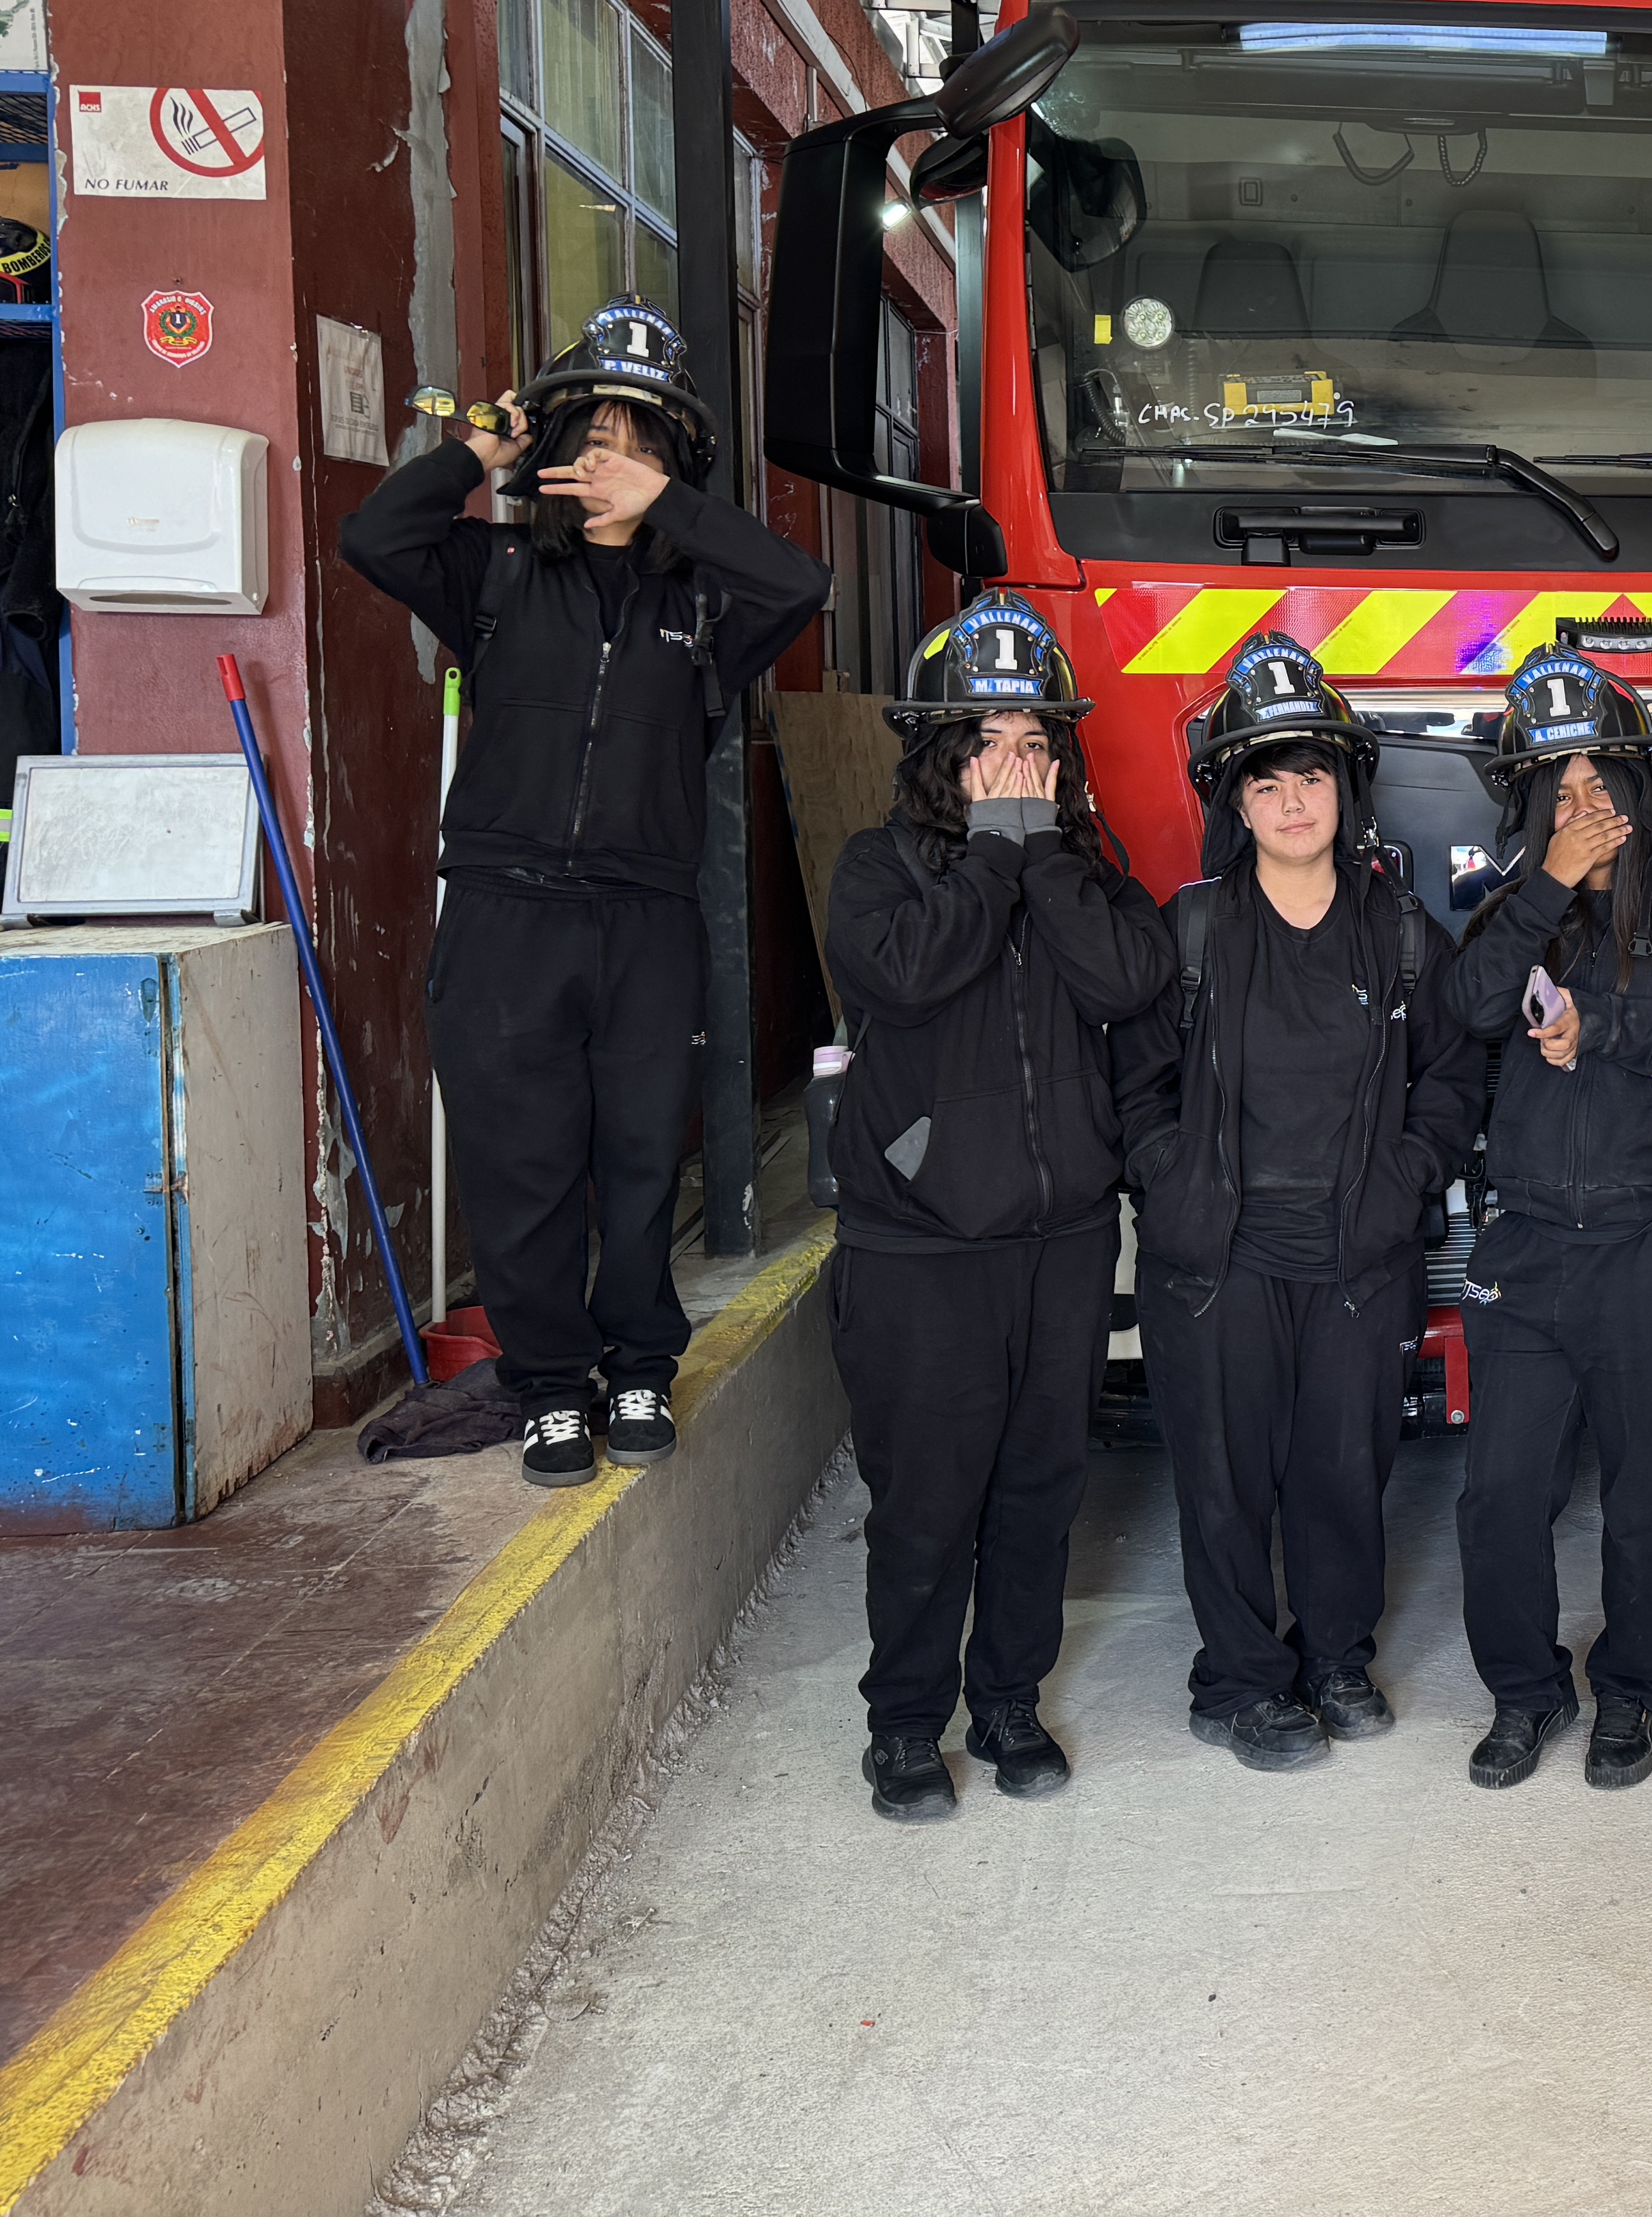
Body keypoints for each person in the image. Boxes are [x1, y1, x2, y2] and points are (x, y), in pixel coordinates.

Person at [338, 299, 826, 1487]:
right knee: (525, 1162)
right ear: (557, 454)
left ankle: (641, 1365)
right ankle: (552, 1387)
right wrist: (478, 452)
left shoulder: (704, 608)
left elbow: (799, 583)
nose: (614, 464)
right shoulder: (492, 575)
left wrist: (671, 514)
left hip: (645, 922)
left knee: (643, 1157)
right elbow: (374, 536)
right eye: (595, 436)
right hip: (506, 918)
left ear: (673, 472)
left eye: (642, 444)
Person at [819, 595, 1173, 1821]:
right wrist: (996, 854)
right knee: (926, 1503)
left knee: (1040, 1486)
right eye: (987, 743)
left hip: (1062, 1245)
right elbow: (910, 976)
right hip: (919, 1252)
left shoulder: (1090, 876)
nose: (1016, 767)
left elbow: (1133, 982)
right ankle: (906, 1727)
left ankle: (1010, 1702)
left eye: (1035, 743)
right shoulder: (881, 871)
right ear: (939, 757)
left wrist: (1046, 861)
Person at [1113, 633, 1483, 1772]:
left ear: (1347, 789)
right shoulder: (1188, 931)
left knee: (1343, 1470)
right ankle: (1237, 1681)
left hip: (1355, 1257)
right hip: (1216, 1259)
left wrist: (1408, 1181)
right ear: (1234, 800)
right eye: (1263, 780)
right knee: (1224, 1479)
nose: (1289, 800)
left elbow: (1456, 1076)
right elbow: (1138, 1087)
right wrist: (1171, 1188)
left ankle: (1334, 1658)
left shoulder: (1403, 933)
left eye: (1310, 776)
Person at [1445, 645, 1652, 1794]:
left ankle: (1629, 1691)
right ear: (1532, 815)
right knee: (1497, 1498)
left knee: (1647, 1502)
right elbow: (1473, 1007)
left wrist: (1615, 1031)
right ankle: (1525, 1694)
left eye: (1604, 790)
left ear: (1643, 799)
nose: (1586, 813)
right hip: (1528, 1247)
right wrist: (1542, 888)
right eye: (1560, 795)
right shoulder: (1510, 916)